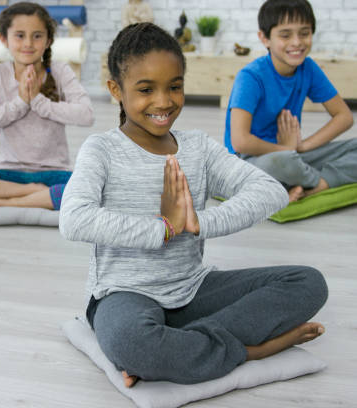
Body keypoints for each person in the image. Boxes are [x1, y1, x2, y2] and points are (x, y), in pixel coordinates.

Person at [59, 22, 328, 388]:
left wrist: (199, 221)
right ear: (115, 90)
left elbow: (271, 190)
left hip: (192, 289)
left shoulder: (198, 148)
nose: (163, 101)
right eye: (145, 89)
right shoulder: (102, 149)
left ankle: (187, 348)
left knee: (308, 283)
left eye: (174, 86)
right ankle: (251, 351)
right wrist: (164, 227)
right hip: (124, 294)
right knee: (133, 343)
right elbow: (74, 219)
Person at [0, 1, 93, 210]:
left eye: (37, 36)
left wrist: (38, 102)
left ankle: (3, 202)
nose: (28, 43)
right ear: (4, 39)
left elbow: (86, 115)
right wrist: (20, 102)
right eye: (20, 35)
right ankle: (34, 194)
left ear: (48, 40)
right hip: (9, 173)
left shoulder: (60, 72)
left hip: (52, 173)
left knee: (92, 187)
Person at [224, 0, 356, 202]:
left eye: (304, 33)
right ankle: (310, 179)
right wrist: (286, 149)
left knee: (291, 161)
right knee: (283, 162)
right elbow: (240, 141)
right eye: (285, 35)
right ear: (264, 38)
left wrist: (301, 147)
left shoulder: (308, 68)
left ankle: (315, 184)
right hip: (249, 162)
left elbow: (344, 117)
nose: (297, 42)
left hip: (293, 155)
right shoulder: (250, 77)